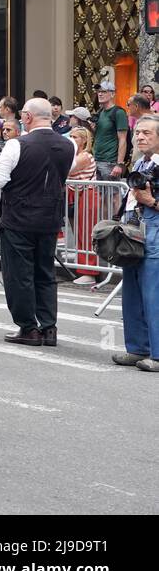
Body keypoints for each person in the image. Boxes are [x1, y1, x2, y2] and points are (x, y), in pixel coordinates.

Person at [0, 97, 75, 346]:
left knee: (19, 274)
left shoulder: (16, 145)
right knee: (45, 273)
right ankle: (49, 328)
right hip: (49, 218)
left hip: (19, 217)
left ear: (27, 117)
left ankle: (28, 327)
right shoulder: (68, 144)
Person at [114, 114, 159, 371]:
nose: (140, 137)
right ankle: (137, 348)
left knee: (154, 294)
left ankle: (157, 353)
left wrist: (151, 201)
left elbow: (147, 199)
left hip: (155, 230)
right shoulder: (141, 163)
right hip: (134, 230)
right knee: (131, 290)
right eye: (138, 132)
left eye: (147, 133)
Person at [65, 126, 100, 287]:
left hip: (88, 194)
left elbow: (68, 168)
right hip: (80, 194)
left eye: (76, 137)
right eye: (70, 135)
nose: (72, 139)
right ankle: (84, 269)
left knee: (86, 234)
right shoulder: (76, 154)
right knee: (80, 233)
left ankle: (89, 272)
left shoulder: (84, 156)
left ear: (85, 140)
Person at [93, 82, 129, 181]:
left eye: (104, 91)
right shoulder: (100, 112)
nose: (100, 94)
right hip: (97, 160)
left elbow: (122, 139)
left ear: (112, 94)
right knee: (100, 194)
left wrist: (119, 164)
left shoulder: (118, 112)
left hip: (110, 162)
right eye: (98, 91)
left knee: (113, 194)